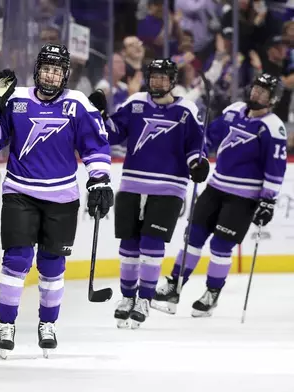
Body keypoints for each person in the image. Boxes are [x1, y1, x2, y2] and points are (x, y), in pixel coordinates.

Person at [0, 44, 114, 359]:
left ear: (65, 75)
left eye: (57, 70)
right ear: (37, 70)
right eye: (46, 68)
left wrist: (100, 179)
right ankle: (6, 325)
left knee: (52, 265)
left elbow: (94, 145)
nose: (51, 75)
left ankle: (48, 325)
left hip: (61, 197)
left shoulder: (76, 103)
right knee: (16, 260)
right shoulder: (16, 99)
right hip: (20, 191)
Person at [152, 73, 287, 317]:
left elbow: (276, 168)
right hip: (215, 187)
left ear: (273, 99)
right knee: (192, 237)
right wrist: (200, 156)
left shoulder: (273, 127)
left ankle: (212, 293)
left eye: (263, 92)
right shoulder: (235, 110)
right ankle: (174, 285)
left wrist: (268, 200)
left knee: (220, 246)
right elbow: (210, 137)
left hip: (244, 197)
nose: (256, 93)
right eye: (255, 88)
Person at [89, 59, 210, 329]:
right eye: (153, 77)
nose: (157, 82)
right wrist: (99, 116)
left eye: (162, 78)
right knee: (129, 246)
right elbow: (114, 133)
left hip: (169, 187)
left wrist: (198, 164)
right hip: (132, 184)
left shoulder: (187, 110)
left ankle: (144, 299)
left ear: (172, 80)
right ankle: (127, 297)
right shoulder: (136, 103)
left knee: (152, 245)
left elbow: (195, 146)